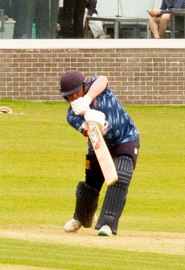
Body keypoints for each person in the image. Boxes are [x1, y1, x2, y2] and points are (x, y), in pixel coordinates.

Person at [59, 69, 140, 237]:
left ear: (84, 86)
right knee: (90, 186)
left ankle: (108, 225)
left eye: (76, 93)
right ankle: (82, 217)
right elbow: (93, 134)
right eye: (69, 96)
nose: (74, 98)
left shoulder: (98, 88)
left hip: (126, 138)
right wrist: (91, 121)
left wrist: (87, 100)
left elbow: (103, 79)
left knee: (121, 175)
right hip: (99, 145)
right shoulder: (72, 115)